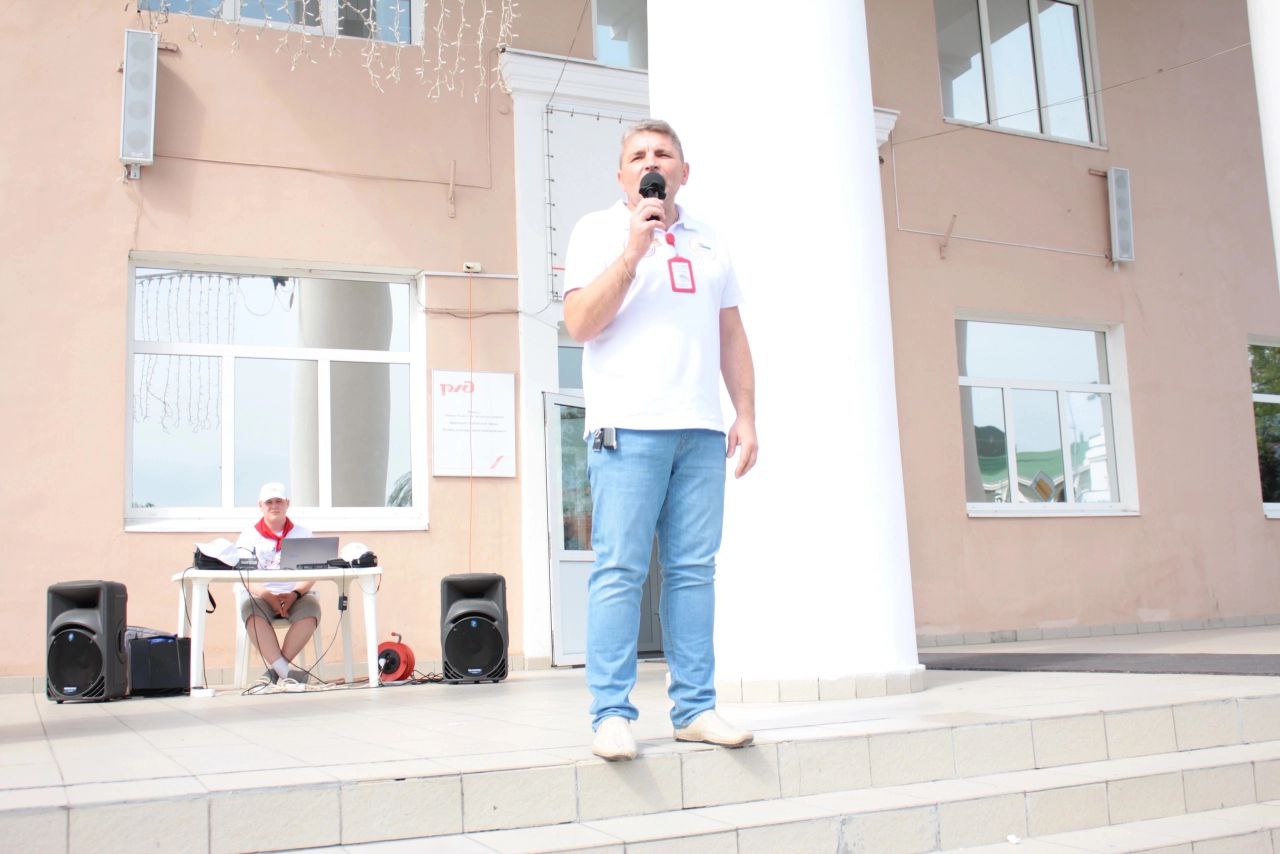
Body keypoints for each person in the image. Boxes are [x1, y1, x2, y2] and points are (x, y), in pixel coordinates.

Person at [562, 119, 759, 761]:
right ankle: (611, 714)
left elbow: (731, 334)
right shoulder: (597, 231)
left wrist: (745, 414)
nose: (652, 162)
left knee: (693, 572)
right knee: (620, 569)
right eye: (639, 155)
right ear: (623, 175)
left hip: (699, 431)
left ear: (683, 171)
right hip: (627, 425)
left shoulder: (709, 240)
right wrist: (633, 252)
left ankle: (695, 709)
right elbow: (579, 324)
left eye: (663, 153)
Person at [235, 482, 321, 685]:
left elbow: (312, 573)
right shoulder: (248, 536)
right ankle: (287, 673)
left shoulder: (303, 534)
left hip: (296, 595)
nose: (274, 506)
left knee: (312, 610)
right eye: (269, 502)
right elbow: (244, 576)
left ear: (287, 504)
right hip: (261, 596)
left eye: (279, 501)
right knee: (250, 611)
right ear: (261, 506)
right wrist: (269, 597)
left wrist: (294, 594)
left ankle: (274, 673)